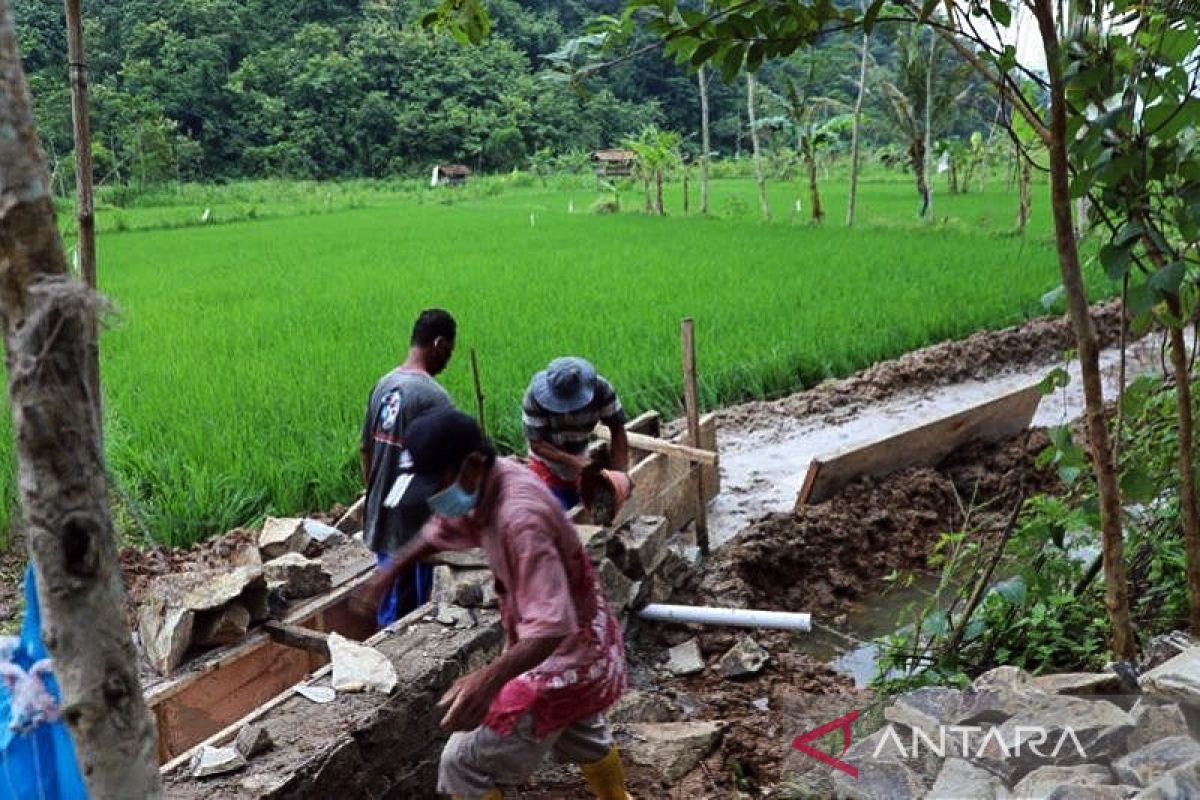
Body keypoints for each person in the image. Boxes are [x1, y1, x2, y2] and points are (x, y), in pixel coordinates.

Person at [356, 408, 630, 800]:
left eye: (437, 486)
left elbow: (552, 626)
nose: (434, 498)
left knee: (461, 765)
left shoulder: (521, 522)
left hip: (559, 658)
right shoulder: (491, 477)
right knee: (582, 724)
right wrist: (390, 570)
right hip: (587, 646)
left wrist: (488, 678)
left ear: (470, 466)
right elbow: (444, 528)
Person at [360, 308, 456, 626]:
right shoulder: (434, 397)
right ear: (439, 343)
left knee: (391, 602)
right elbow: (446, 473)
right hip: (414, 526)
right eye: (449, 351)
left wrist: (377, 499)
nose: (448, 360)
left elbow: (366, 450)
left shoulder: (383, 384)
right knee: (412, 614)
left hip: (382, 516)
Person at [522, 356, 629, 510]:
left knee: (588, 503)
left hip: (580, 451)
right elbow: (537, 444)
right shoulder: (533, 398)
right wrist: (574, 461)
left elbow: (617, 430)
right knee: (556, 511)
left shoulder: (601, 390)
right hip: (546, 463)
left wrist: (620, 475)